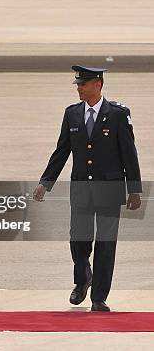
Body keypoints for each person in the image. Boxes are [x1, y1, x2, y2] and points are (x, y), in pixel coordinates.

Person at [33, 66, 142, 312]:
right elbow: (62, 150)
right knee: (78, 240)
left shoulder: (117, 114)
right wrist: (45, 182)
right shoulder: (72, 114)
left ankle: (99, 297)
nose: (79, 88)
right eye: (78, 84)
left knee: (105, 243)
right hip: (81, 188)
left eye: (83, 84)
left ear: (98, 84)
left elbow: (129, 152)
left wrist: (134, 189)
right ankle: (83, 279)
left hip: (110, 190)